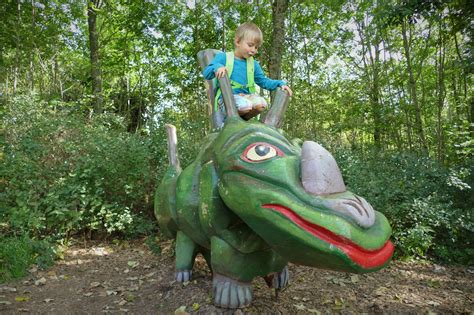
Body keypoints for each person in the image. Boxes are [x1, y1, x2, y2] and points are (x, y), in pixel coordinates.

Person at [203, 22, 293, 120]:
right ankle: (231, 119)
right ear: (238, 42)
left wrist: (280, 84)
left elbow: (264, 81)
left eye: (256, 47)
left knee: (261, 104)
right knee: (244, 106)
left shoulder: (253, 64)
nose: (254, 50)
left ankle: (243, 121)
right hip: (227, 99)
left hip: (246, 98)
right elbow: (207, 73)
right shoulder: (224, 57)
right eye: (250, 45)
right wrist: (217, 67)